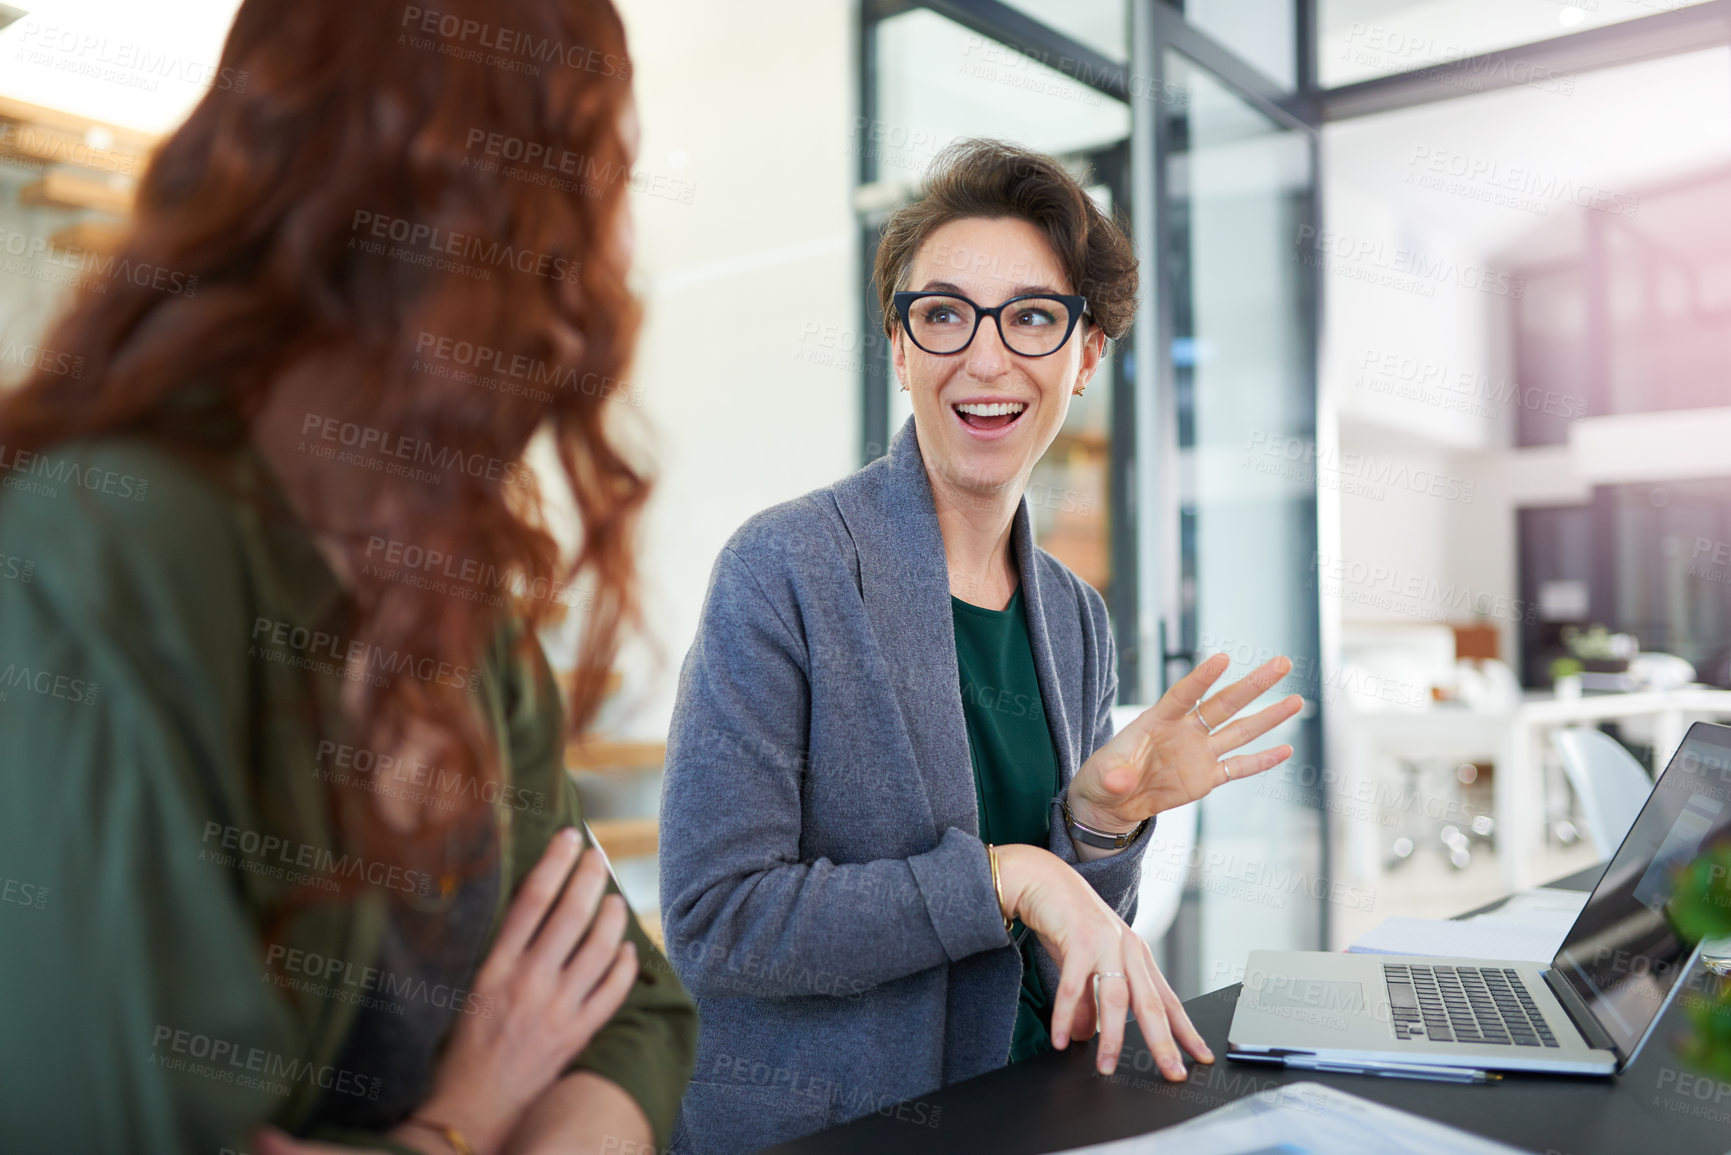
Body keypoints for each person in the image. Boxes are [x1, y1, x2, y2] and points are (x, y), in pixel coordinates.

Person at [0, 2, 696, 1152]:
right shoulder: (103, 557)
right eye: (595, 178)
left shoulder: (464, 610)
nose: (609, 261)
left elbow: (638, 1020)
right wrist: (465, 1118)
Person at [658, 138, 1303, 1155]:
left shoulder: (1073, 615)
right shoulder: (784, 569)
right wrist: (1009, 876)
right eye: (945, 314)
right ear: (901, 345)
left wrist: (1096, 824)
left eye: (1035, 317)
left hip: (1030, 1103)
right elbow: (720, 922)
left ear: (1087, 356)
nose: (987, 358)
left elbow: (1060, 955)